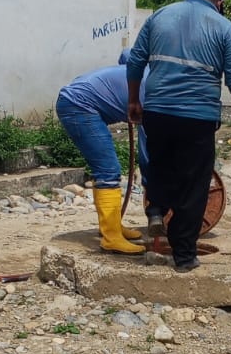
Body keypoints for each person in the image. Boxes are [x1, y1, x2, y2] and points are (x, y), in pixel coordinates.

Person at [126, 0, 231, 272]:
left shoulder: (160, 15)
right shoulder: (223, 27)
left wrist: (134, 100)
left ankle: (156, 209)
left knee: (160, 164)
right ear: (219, 3)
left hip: (158, 111)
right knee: (194, 184)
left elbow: (135, 61)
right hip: (198, 117)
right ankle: (184, 256)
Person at [55, 53, 156, 254]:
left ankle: (112, 227)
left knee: (107, 168)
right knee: (108, 170)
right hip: (78, 105)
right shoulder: (155, 96)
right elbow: (148, 152)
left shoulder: (150, 71)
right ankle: (111, 237)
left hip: (78, 96)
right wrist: (152, 185)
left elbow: (126, 54)